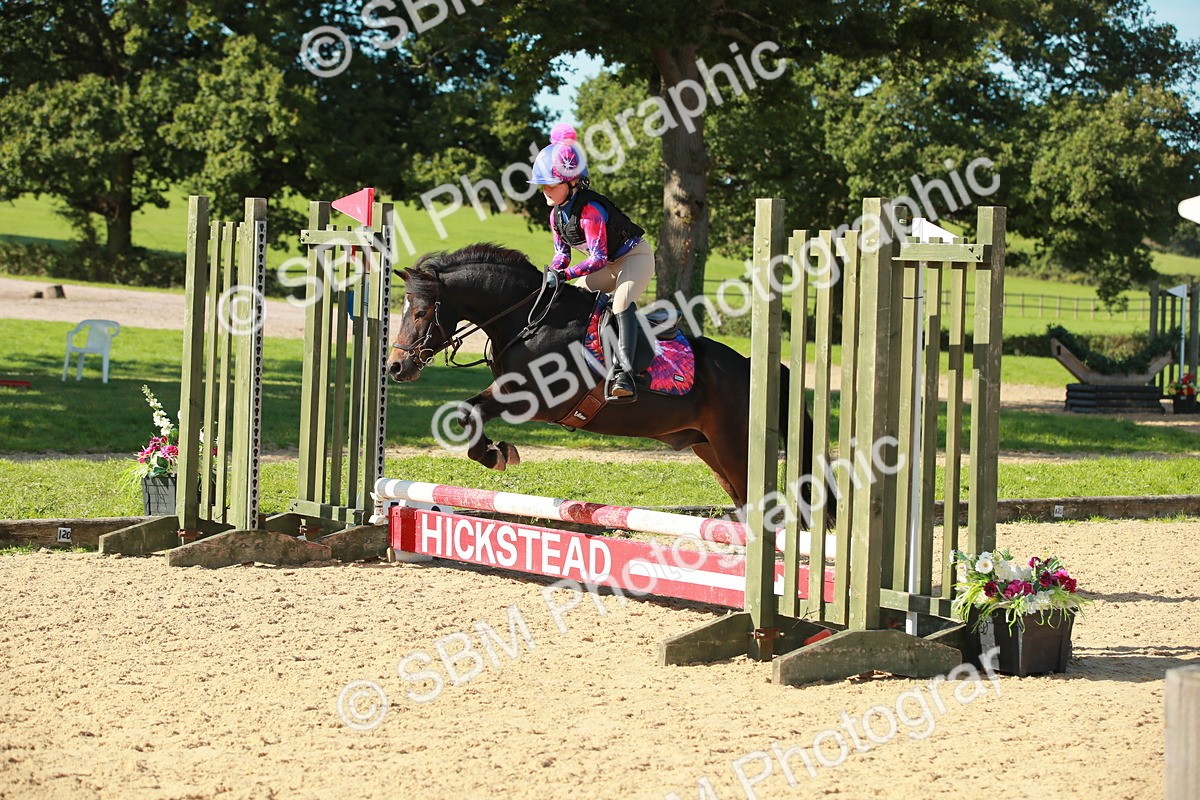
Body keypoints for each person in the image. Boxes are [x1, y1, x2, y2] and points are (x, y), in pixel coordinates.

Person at [529, 123, 655, 403]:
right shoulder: (556, 216)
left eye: (550, 184)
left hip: (634, 259)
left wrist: (566, 274)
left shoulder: (590, 211)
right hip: (608, 266)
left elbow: (597, 258)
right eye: (543, 185)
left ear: (572, 182)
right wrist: (553, 273)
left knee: (621, 304)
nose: (545, 191)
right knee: (570, 296)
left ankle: (625, 374)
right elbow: (563, 255)